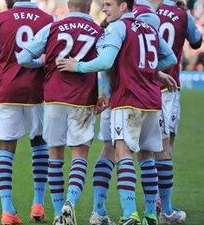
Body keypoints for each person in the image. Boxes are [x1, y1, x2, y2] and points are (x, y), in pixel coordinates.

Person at [55, 0, 177, 224]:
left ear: (123, 6)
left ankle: (128, 213)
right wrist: (150, 71)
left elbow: (106, 61)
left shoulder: (117, 27)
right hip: (152, 101)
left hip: (126, 99)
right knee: (148, 157)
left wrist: (77, 66)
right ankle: (151, 214)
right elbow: (171, 58)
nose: (103, 9)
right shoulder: (148, 27)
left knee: (120, 153)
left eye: (109, 4)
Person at [17, 0, 103, 224]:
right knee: (79, 154)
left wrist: (44, 63)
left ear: (67, 4)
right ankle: (70, 203)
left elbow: (23, 57)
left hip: (54, 97)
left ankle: (57, 214)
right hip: (83, 98)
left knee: (55, 156)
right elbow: (107, 64)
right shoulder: (98, 31)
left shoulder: (52, 27)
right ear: (90, 5)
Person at [0, 0, 53, 224]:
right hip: (38, 91)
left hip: (7, 90)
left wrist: (9, 68)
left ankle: (7, 211)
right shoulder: (47, 19)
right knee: (40, 144)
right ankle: (38, 203)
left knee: (6, 147)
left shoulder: (0, 18)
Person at [155, 0, 202, 223]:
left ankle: (148, 202)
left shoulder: (138, 9)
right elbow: (196, 42)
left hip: (140, 86)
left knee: (137, 149)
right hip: (169, 88)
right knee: (166, 148)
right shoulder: (181, 13)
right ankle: (165, 207)